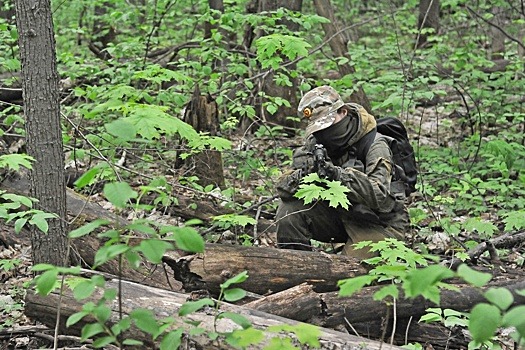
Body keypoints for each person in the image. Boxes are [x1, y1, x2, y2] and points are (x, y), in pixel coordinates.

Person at [275, 85, 409, 258]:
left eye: (328, 124)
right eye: (319, 128)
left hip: (379, 223)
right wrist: (302, 175)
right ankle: (296, 267)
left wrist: (338, 175)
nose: (325, 132)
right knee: (289, 212)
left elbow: (381, 197)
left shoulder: (375, 144)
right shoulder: (316, 142)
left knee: (349, 277)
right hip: (339, 214)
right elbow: (282, 189)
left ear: (343, 112)